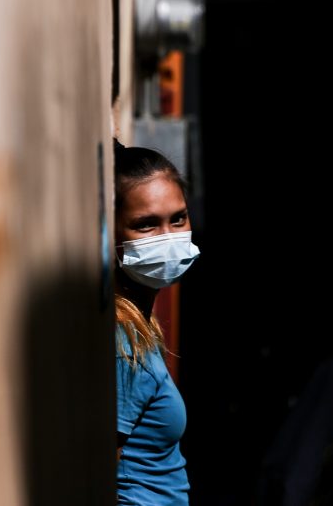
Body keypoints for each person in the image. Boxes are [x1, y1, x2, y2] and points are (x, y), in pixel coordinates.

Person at [113, 140, 201, 505]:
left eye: (178, 218)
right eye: (146, 225)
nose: (169, 238)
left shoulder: (139, 320)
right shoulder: (122, 342)